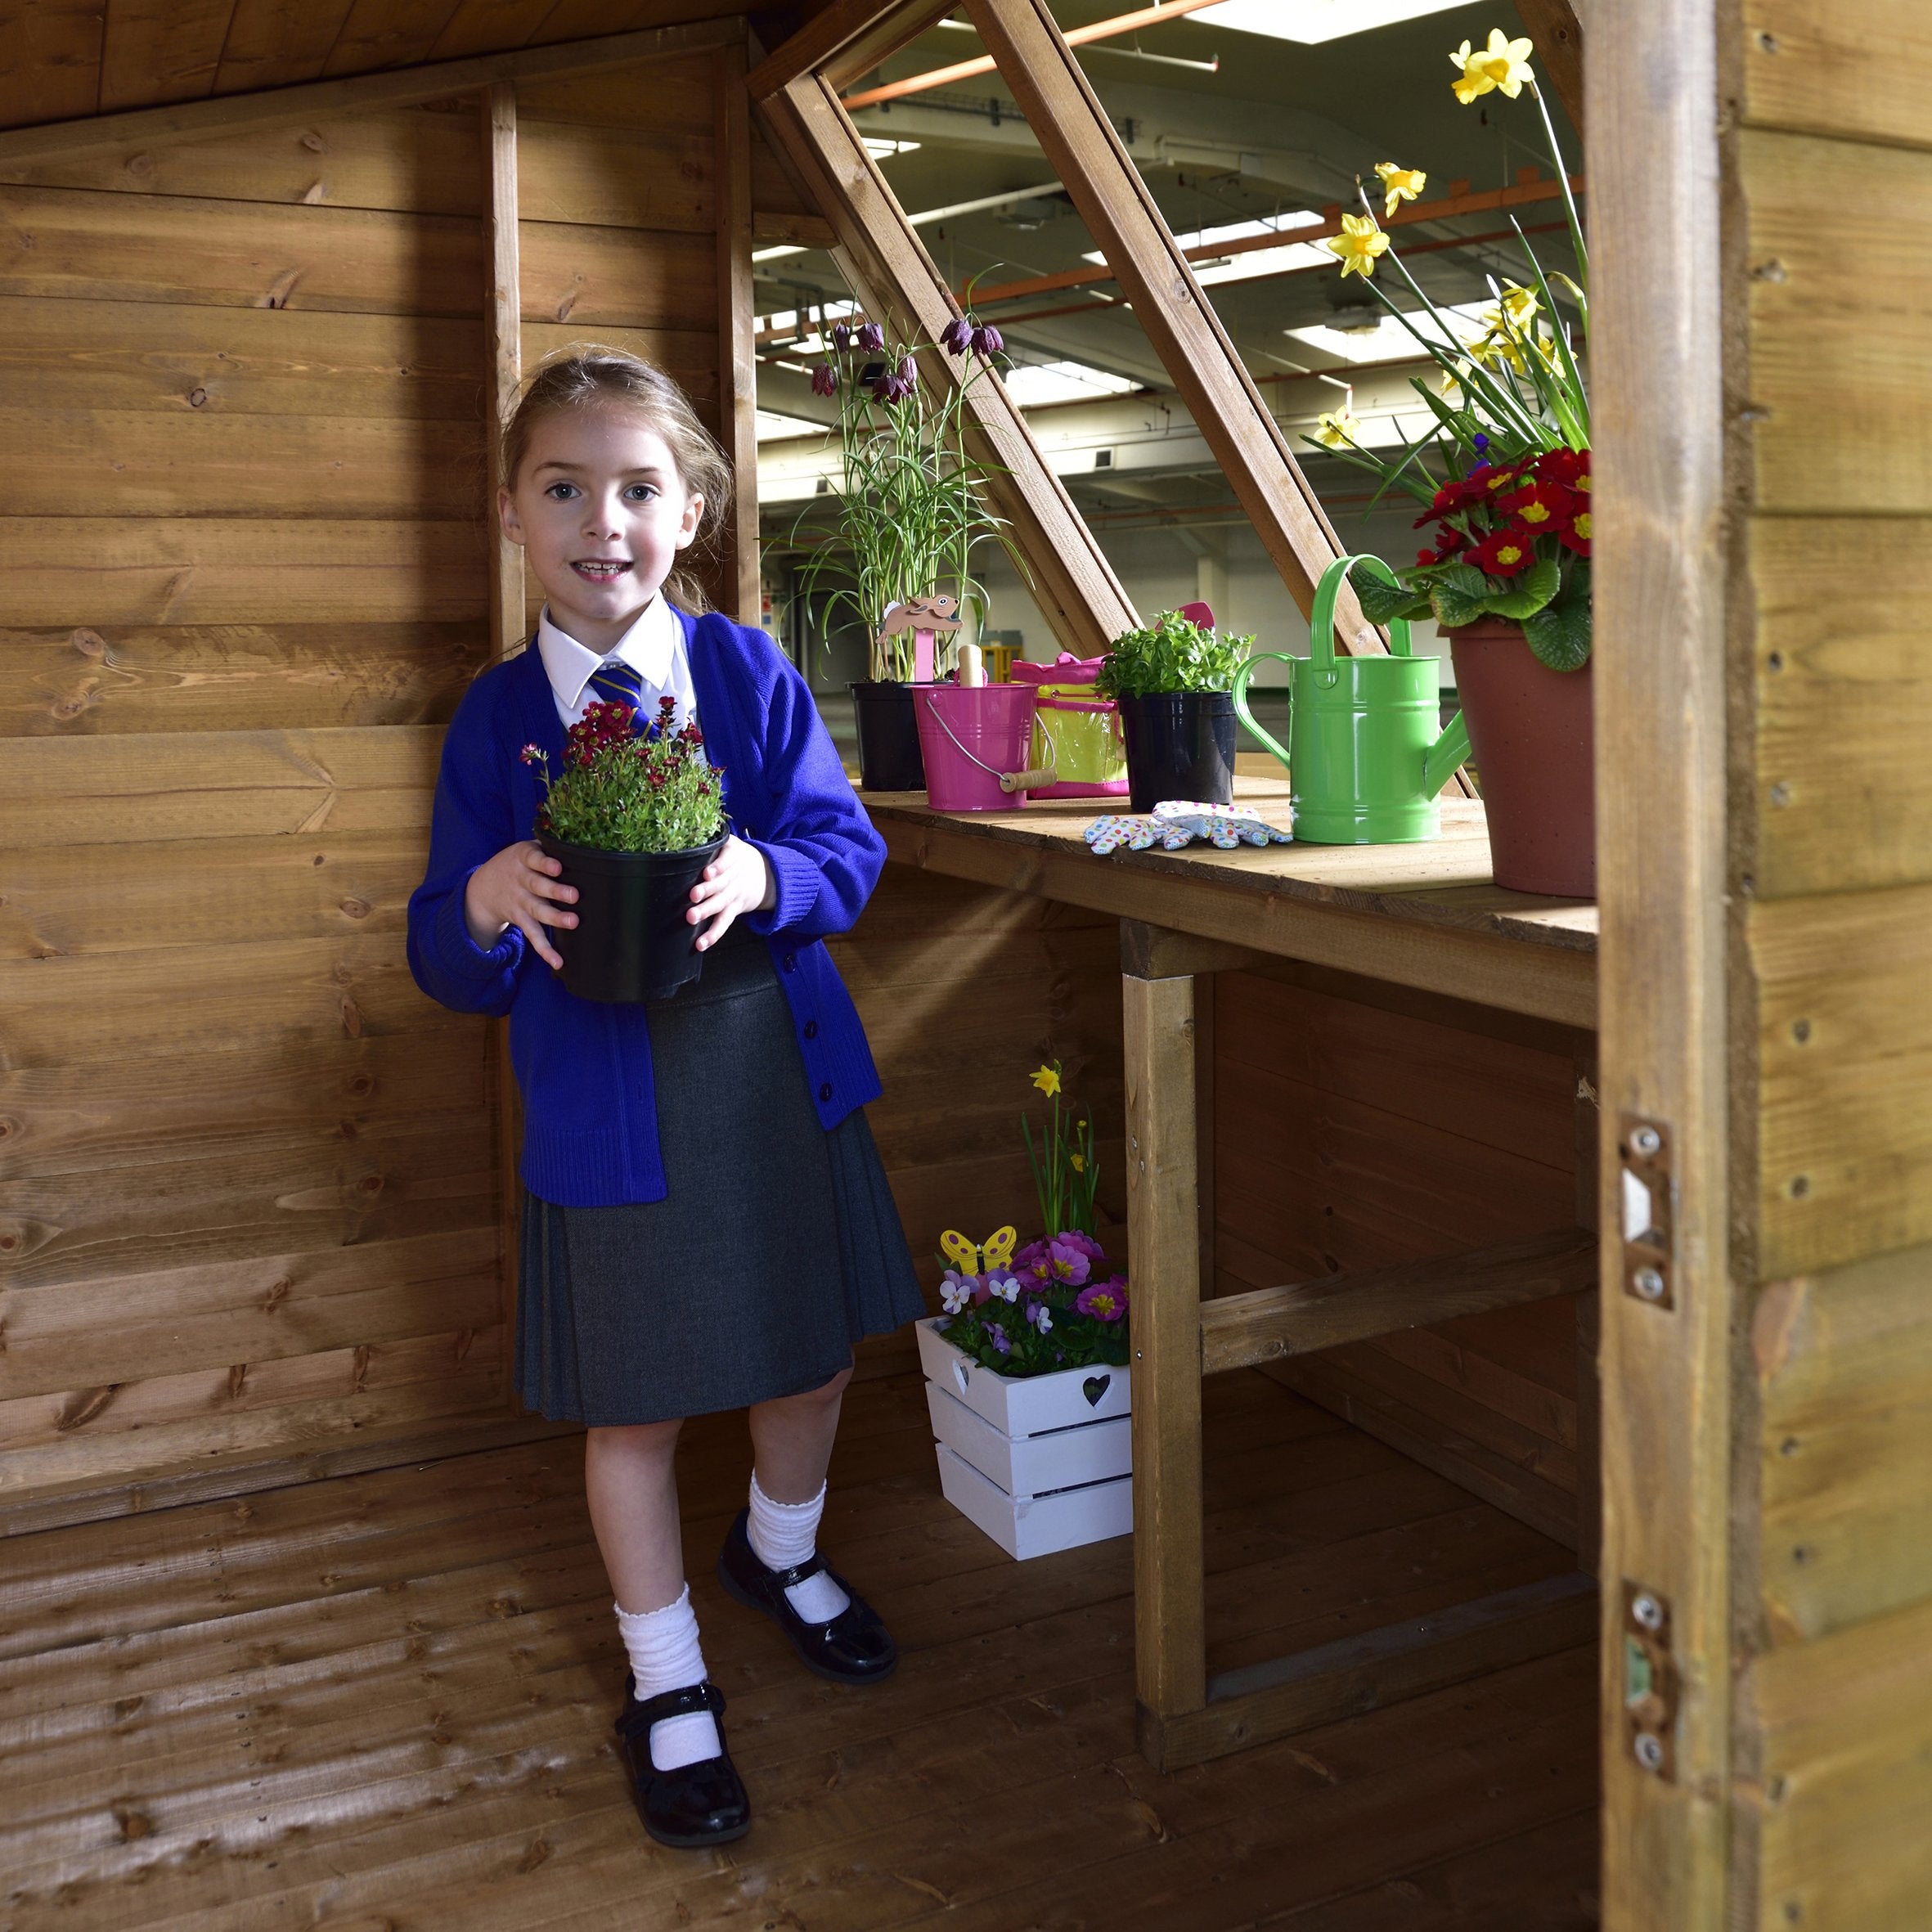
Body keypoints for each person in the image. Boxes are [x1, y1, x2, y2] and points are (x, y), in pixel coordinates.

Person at [407, 348, 926, 1849]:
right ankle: (667, 1674)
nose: (602, 519)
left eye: (637, 487)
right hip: (607, 1103)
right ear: (512, 514)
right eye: (562, 487)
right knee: (634, 1410)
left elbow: (847, 853)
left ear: (689, 508)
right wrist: (488, 902)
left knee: (811, 1363)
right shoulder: (496, 720)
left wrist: (771, 870)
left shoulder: (750, 677)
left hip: (772, 1074)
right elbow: (442, 947)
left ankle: (778, 1552)